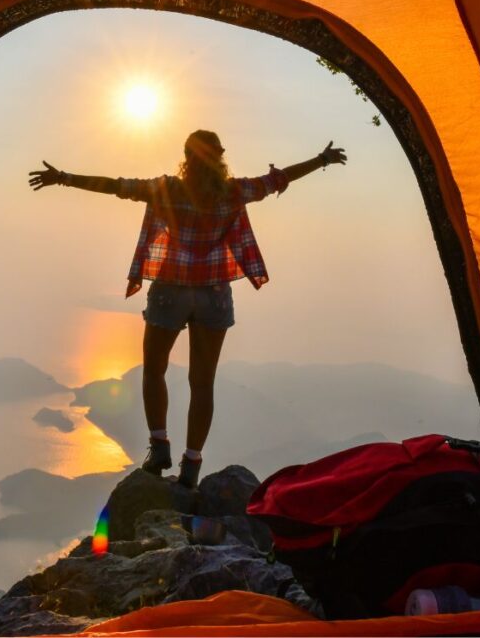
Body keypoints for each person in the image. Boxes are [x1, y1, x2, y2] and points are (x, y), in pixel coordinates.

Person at [29, 130, 347, 488]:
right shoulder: (234, 191)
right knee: (203, 383)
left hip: (171, 291)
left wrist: (64, 178)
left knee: (154, 370)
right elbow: (279, 179)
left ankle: (159, 446)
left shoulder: (167, 189)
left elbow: (116, 186)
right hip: (213, 295)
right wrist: (321, 160)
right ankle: (192, 465)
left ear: (186, 157)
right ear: (219, 158)